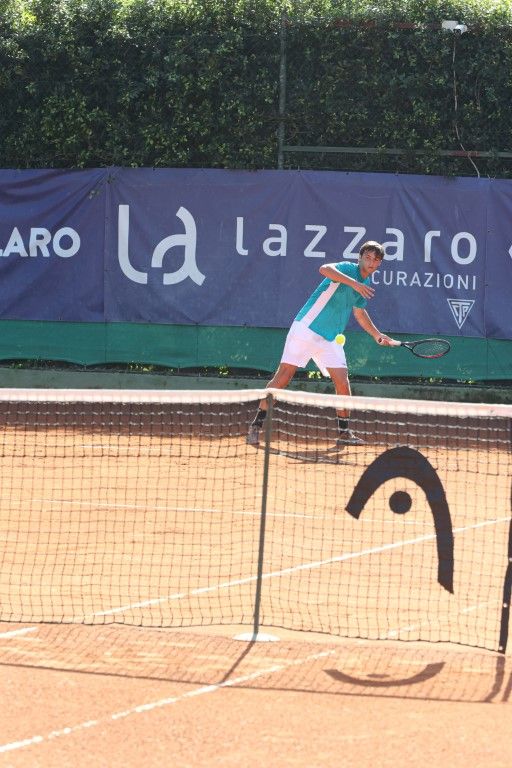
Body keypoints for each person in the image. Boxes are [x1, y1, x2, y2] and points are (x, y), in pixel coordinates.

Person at [247, 240, 397, 446]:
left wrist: (377, 335)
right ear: (360, 258)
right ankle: (255, 426)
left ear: (379, 264)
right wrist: (354, 283)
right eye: (368, 257)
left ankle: (344, 433)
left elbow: (359, 313)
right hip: (306, 328)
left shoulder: (366, 283)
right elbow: (324, 269)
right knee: (283, 377)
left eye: (376, 260)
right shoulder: (348, 269)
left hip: (330, 338)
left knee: (342, 382)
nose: (371, 262)